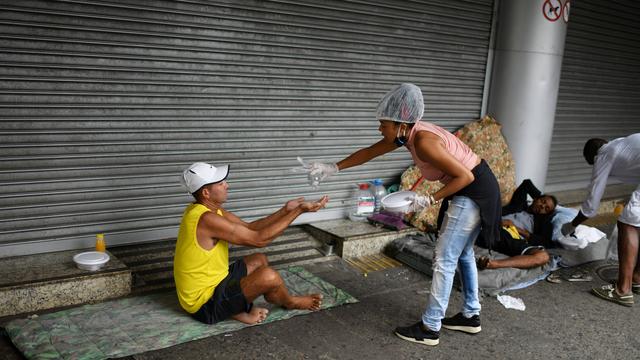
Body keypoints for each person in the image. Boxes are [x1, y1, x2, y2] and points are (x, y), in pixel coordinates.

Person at [303, 83, 502, 346]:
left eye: (383, 124)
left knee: (444, 258)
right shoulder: (408, 133)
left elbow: (465, 176)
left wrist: (428, 199)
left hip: (473, 190)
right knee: (462, 253)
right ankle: (470, 315)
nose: (379, 129)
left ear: (400, 124)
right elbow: (369, 152)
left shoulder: (424, 140)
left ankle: (431, 328)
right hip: (476, 188)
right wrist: (332, 167)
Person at [174, 162, 329, 325]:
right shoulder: (207, 219)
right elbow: (258, 239)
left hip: (216, 281)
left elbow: (250, 227)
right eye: (221, 183)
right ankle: (290, 302)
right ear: (206, 192)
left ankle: (240, 307)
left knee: (259, 260)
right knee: (269, 276)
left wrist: (286, 210)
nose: (227, 185)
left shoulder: (205, 210)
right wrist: (299, 211)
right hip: (204, 304)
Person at [561, 134, 640, 306]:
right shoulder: (622, 145)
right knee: (636, 221)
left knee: (627, 223)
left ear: (593, 156)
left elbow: (591, 206)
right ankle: (637, 279)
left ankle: (622, 290)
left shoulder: (604, 154)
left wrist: (571, 225)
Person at [476, 179, 556, 270]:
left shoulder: (541, 222)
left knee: (542, 256)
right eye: (543, 201)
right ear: (536, 198)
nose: (542, 206)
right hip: (487, 224)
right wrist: (538, 198)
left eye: (546, 209)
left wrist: (516, 228)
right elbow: (527, 183)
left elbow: (547, 242)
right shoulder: (519, 204)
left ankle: (493, 264)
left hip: (507, 236)